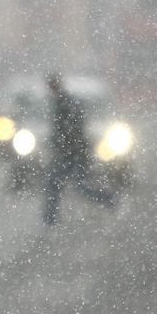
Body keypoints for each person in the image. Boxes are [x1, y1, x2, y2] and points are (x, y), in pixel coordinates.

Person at [43, 74, 113, 226]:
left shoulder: (66, 103)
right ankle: (49, 220)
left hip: (73, 154)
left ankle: (110, 199)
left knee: (76, 186)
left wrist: (63, 144)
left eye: (52, 86)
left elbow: (72, 131)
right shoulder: (62, 102)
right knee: (57, 185)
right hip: (70, 154)